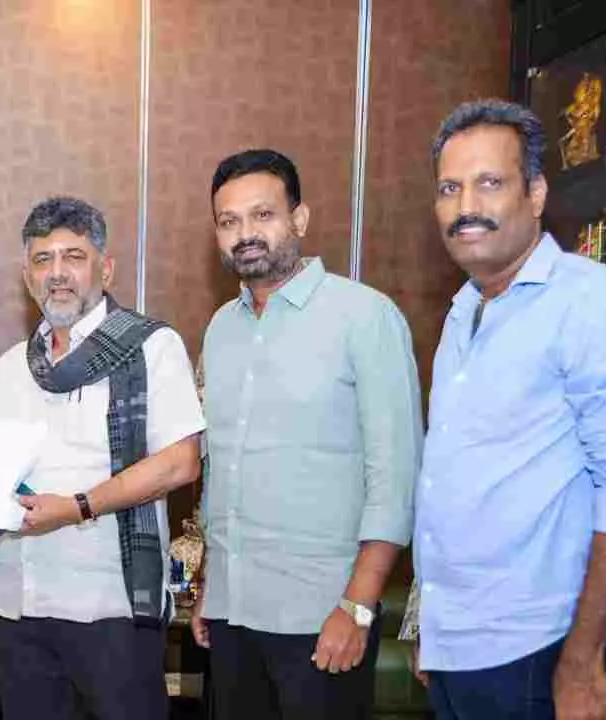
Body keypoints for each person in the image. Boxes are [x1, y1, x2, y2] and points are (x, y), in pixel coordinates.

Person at [413, 98, 606, 720]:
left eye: (489, 183)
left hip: (539, 650)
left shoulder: (591, 302)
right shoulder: (463, 310)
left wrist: (583, 660)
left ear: (535, 194)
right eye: (449, 188)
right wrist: (430, 624)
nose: (466, 206)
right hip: (457, 645)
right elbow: (447, 485)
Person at [190, 149, 422, 720]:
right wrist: (210, 586)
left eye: (262, 214)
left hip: (322, 616)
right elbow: (221, 470)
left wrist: (359, 607)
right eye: (228, 221)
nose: (246, 233)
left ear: (299, 219)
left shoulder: (365, 316)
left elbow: (396, 476)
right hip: (232, 613)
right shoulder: (220, 329)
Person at [0, 196, 205, 719]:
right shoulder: (10, 368)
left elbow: (180, 462)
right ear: (27, 276)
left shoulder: (151, 347)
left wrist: (77, 507)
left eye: (73, 256)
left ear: (106, 268)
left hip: (110, 606)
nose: (57, 273)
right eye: (42, 259)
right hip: (20, 603)